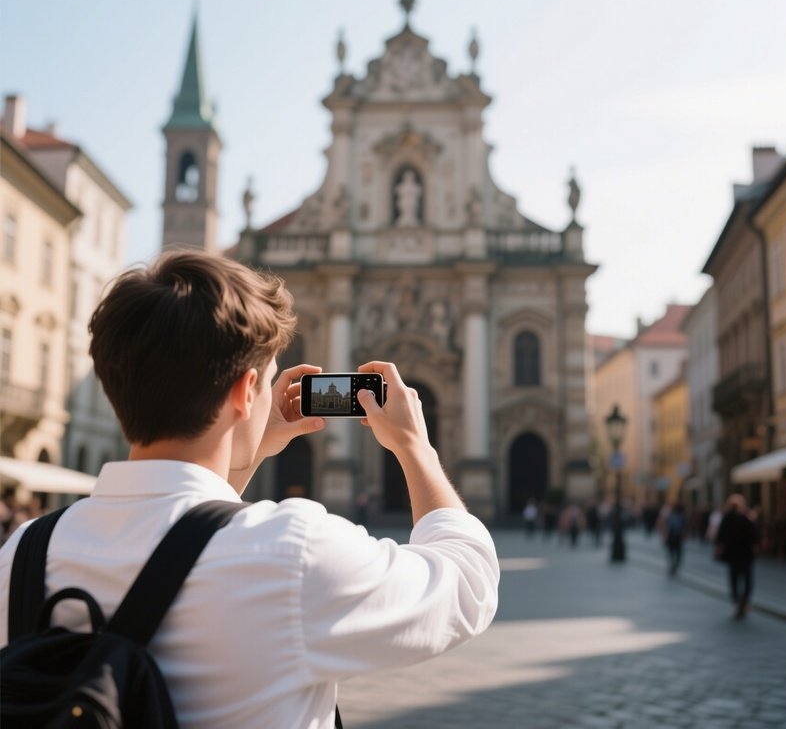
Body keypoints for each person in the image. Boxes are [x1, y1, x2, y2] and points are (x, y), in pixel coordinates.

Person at [0, 250, 499, 729]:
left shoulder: (23, 553)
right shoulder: (291, 550)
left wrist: (248, 448)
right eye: (268, 383)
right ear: (244, 392)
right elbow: (465, 585)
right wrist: (416, 449)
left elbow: (187, 532)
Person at [715, 493, 759, 620]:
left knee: (734, 578)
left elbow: (720, 536)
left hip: (733, 554)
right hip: (746, 553)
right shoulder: (747, 517)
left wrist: (720, 547)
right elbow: (754, 535)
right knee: (747, 579)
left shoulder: (727, 517)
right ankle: (743, 602)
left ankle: (737, 601)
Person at [664, 503, 686, 576]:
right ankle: (674, 566)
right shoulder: (682, 517)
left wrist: (666, 536)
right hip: (677, 537)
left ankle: (672, 566)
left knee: (671, 552)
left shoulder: (671, 516)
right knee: (678, 553)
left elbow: (668, 526)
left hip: (672, 536)